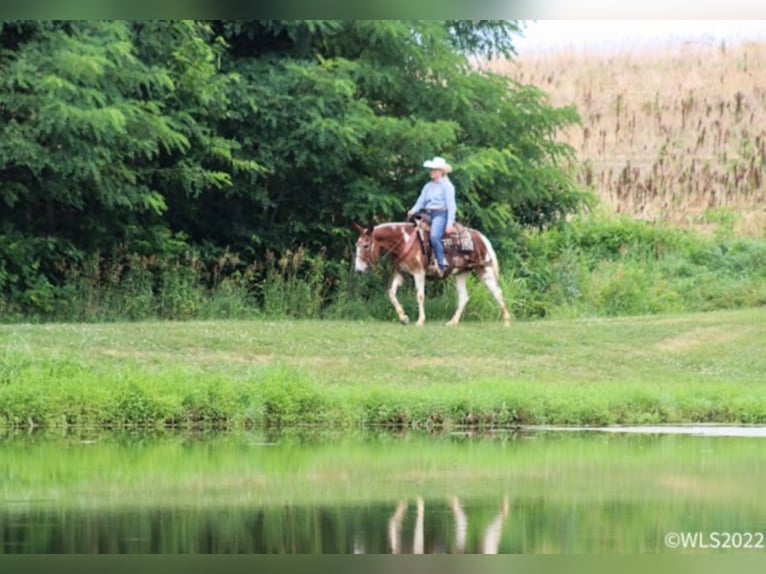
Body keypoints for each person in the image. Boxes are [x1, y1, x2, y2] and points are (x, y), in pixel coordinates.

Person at [407, 156, 456, 276]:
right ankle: (416, 261)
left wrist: (449, 223)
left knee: (434, 236)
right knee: (411, 232)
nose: (431, 172)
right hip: (426, 213)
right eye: (431, 170)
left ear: (441, 171)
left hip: (440, 214)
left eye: (434, 170)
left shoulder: (447, 186)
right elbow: (421, 201)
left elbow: (451, 205)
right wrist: (413, 210)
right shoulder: (427, 186)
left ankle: (441, 264)